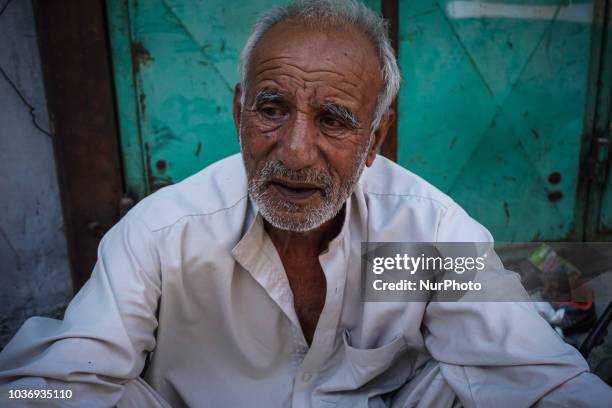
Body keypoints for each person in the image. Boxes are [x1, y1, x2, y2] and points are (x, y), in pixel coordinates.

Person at [1, 0, 611, 406]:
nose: (294, 152)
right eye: (271, 109)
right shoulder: (165, 236)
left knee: (460, 382)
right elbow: (46, 386)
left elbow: (537, 375)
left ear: (374, 139)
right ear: (239, 112)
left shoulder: (418, 238)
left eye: (334, 120)